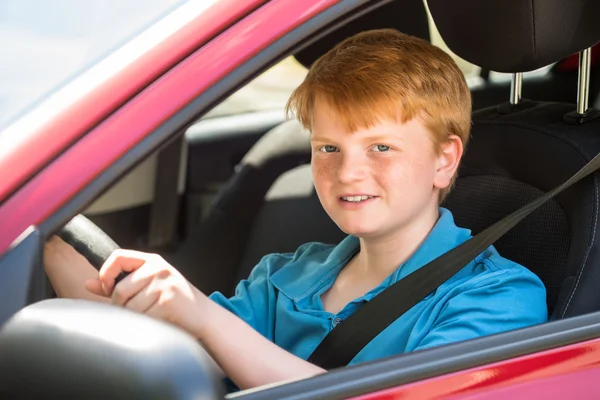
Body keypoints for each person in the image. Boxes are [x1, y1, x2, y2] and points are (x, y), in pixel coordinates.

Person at [43, 29, 547, 390]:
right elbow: (183, 359)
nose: (347, 172)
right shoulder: (286, 275)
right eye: (328, 148)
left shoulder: (498, 296)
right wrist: (48, 242)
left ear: (445, 160)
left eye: (381, 148)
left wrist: (203, 316)